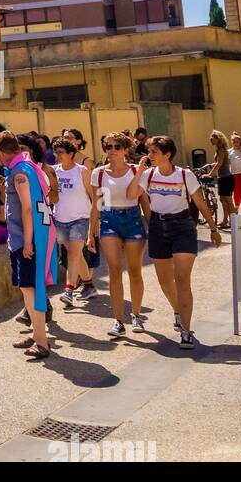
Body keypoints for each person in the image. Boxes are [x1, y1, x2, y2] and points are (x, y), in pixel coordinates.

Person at [129, 135, 222, 348]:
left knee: (182, 279)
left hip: (182, 227)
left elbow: (199, 202)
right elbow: (132, 194)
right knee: (164, 280)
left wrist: (214, 229)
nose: (149, 155)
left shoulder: (184, 175)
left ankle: (186, 331)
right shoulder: (149, 174)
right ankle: (178, 311)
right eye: (149, 151)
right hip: (158, 227)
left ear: (167, 154)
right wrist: (140, 171)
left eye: (153, 152)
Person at [0, 132, 56, 360]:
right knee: (27, 287)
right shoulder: (27, 166)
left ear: (1, 151)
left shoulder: (20, 172)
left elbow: (27, 207)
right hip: (28, 235)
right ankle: (36, 333)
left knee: (31, 287)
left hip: (28, 238)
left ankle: (41, 341)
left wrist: (28, 242)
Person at [91, 132, 148, 337]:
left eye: (116, 147)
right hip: (108, 219)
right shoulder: (98, 173)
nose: (111, 151)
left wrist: (151, 225)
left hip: (132, 218)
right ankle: (118, 321)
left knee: (134, 271)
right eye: (108, 147)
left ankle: (136, 315)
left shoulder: (136, 171)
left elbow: (144, 202)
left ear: (125, 150)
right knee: (114, 270)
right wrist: (91, 233)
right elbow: (96, 204)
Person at [50, 138, 96, 307]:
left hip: (80, 219)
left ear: (71, 154)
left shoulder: (82, 171)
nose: (57, 155)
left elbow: (94, 197)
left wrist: (94, 224)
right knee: (76, 256)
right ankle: (89, 285)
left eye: (61, 152)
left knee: (73, 255)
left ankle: (69, 290)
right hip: (60, 219)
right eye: (56, 152)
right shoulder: (54, 171)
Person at [206, 130, 234, 228]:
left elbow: (220, 163)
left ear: (218, 138)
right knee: (223, 200)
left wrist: (210, 174)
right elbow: (220, 162)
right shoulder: (219, 149)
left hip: (226, 177)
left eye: (212, 138)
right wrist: (212, 165)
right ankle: (225, 220)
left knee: (228, 201)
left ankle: (235, 221)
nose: (211, 139)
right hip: (222, 177)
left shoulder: (221, 149)